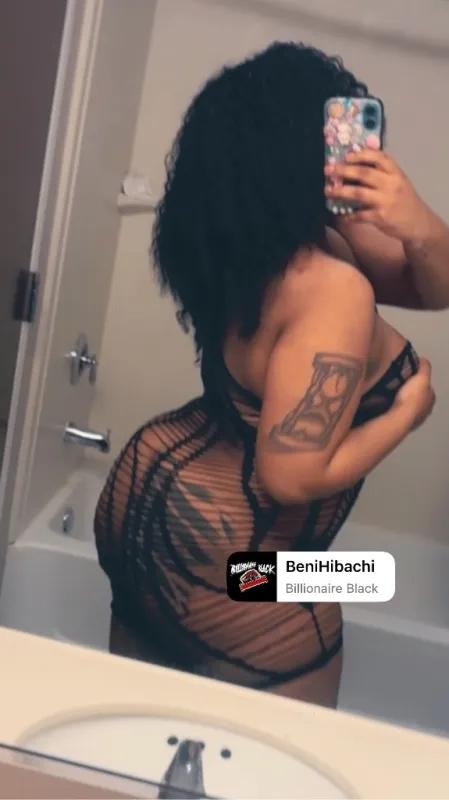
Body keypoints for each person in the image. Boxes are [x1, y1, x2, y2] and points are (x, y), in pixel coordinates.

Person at [94, 42, 448, 708]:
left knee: (136, 739)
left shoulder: (254, 243)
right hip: (237, 564)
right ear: (298, 156)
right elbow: (287, 477)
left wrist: (418, 226)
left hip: (144, 502)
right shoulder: (332, 287)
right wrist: (407, 411)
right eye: (330, 141)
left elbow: (435, 288)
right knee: (351, 588)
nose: (347, 152)